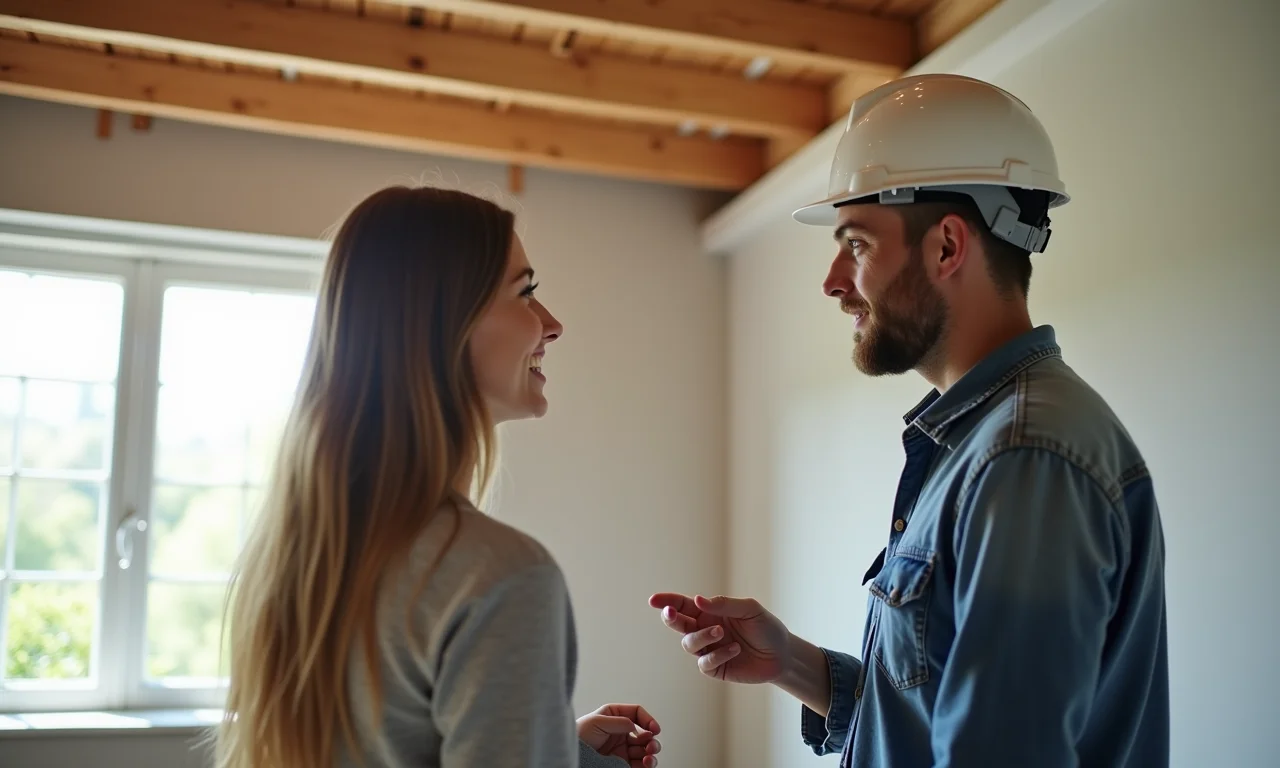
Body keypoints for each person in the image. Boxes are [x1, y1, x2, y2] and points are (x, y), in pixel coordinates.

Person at [651, 74, 1168, 767]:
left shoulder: (1023, 456)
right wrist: (794, 666)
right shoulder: (984, 442)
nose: (834, 281)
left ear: (947, 247)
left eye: (857, 244)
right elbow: (945, 717)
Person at [214, 186, 663, 768]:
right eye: (525, 293)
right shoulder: (499, 574)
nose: (551, 325)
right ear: (444, 323)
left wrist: (556, 747)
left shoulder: (297, 555)